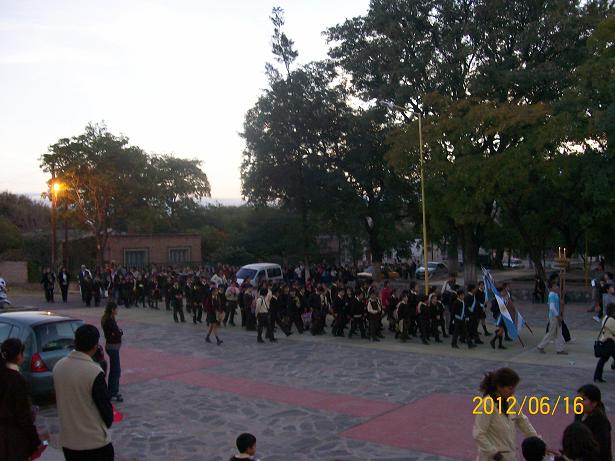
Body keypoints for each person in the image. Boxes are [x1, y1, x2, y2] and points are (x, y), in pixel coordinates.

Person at [53, 324, 114, 461]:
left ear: (75, 342)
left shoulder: (58, 366)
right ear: (95, 346)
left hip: (69, 442)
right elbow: (106, 412)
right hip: (94, 443)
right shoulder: (94, 371)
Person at [473, 367, 540, 461]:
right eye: (510, 388)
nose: (513, 392)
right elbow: (479, 434)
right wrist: (496, 456)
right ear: (499, 387)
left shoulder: (511, 400)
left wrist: (538, 443)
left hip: (510, 456)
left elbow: (522, 421)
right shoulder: (487, 404)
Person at [0, 338, 43, 461]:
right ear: (19, 355)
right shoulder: (17, 379)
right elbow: (23, 416)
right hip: (13, 440)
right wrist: (35, 441)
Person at [575, 384, 611, 461]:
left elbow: (601, 450)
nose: (578, 402)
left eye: (583, 399)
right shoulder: (579, 413)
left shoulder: (601, 422)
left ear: (594, 403)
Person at [101, 301, 123, 402]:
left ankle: (113, 391)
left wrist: (117, 333)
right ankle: (112, 392)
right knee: (116, 370)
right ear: (112, 310)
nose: (117, 310)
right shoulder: (109, 320)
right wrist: (119, 332)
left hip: (112, 346)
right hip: (112, 347)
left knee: (115, 369)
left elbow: (116, 332)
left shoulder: (110, 319)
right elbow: (117, 332)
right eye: (116, 309)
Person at [536, 282, 567, 355]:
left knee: (558, 333)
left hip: (556, 316)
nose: (557, 287)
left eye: (556, 286)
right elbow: (552, 307)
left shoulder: (555, 294)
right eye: (555, 286)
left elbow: (558, 304)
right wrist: (558, 316)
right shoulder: (552, 295)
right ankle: (541, 346)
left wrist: (563, 296)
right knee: (551, 333)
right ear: (551, 288)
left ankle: (560, 349)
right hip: (554, 316)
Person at [593, 303, 615, 383]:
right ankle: (597, 376)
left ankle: (597, 376)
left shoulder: (605, 317)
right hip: (610, 343)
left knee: (602, 360)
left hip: (606, 341)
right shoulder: (611, 320)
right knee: (603, 360)